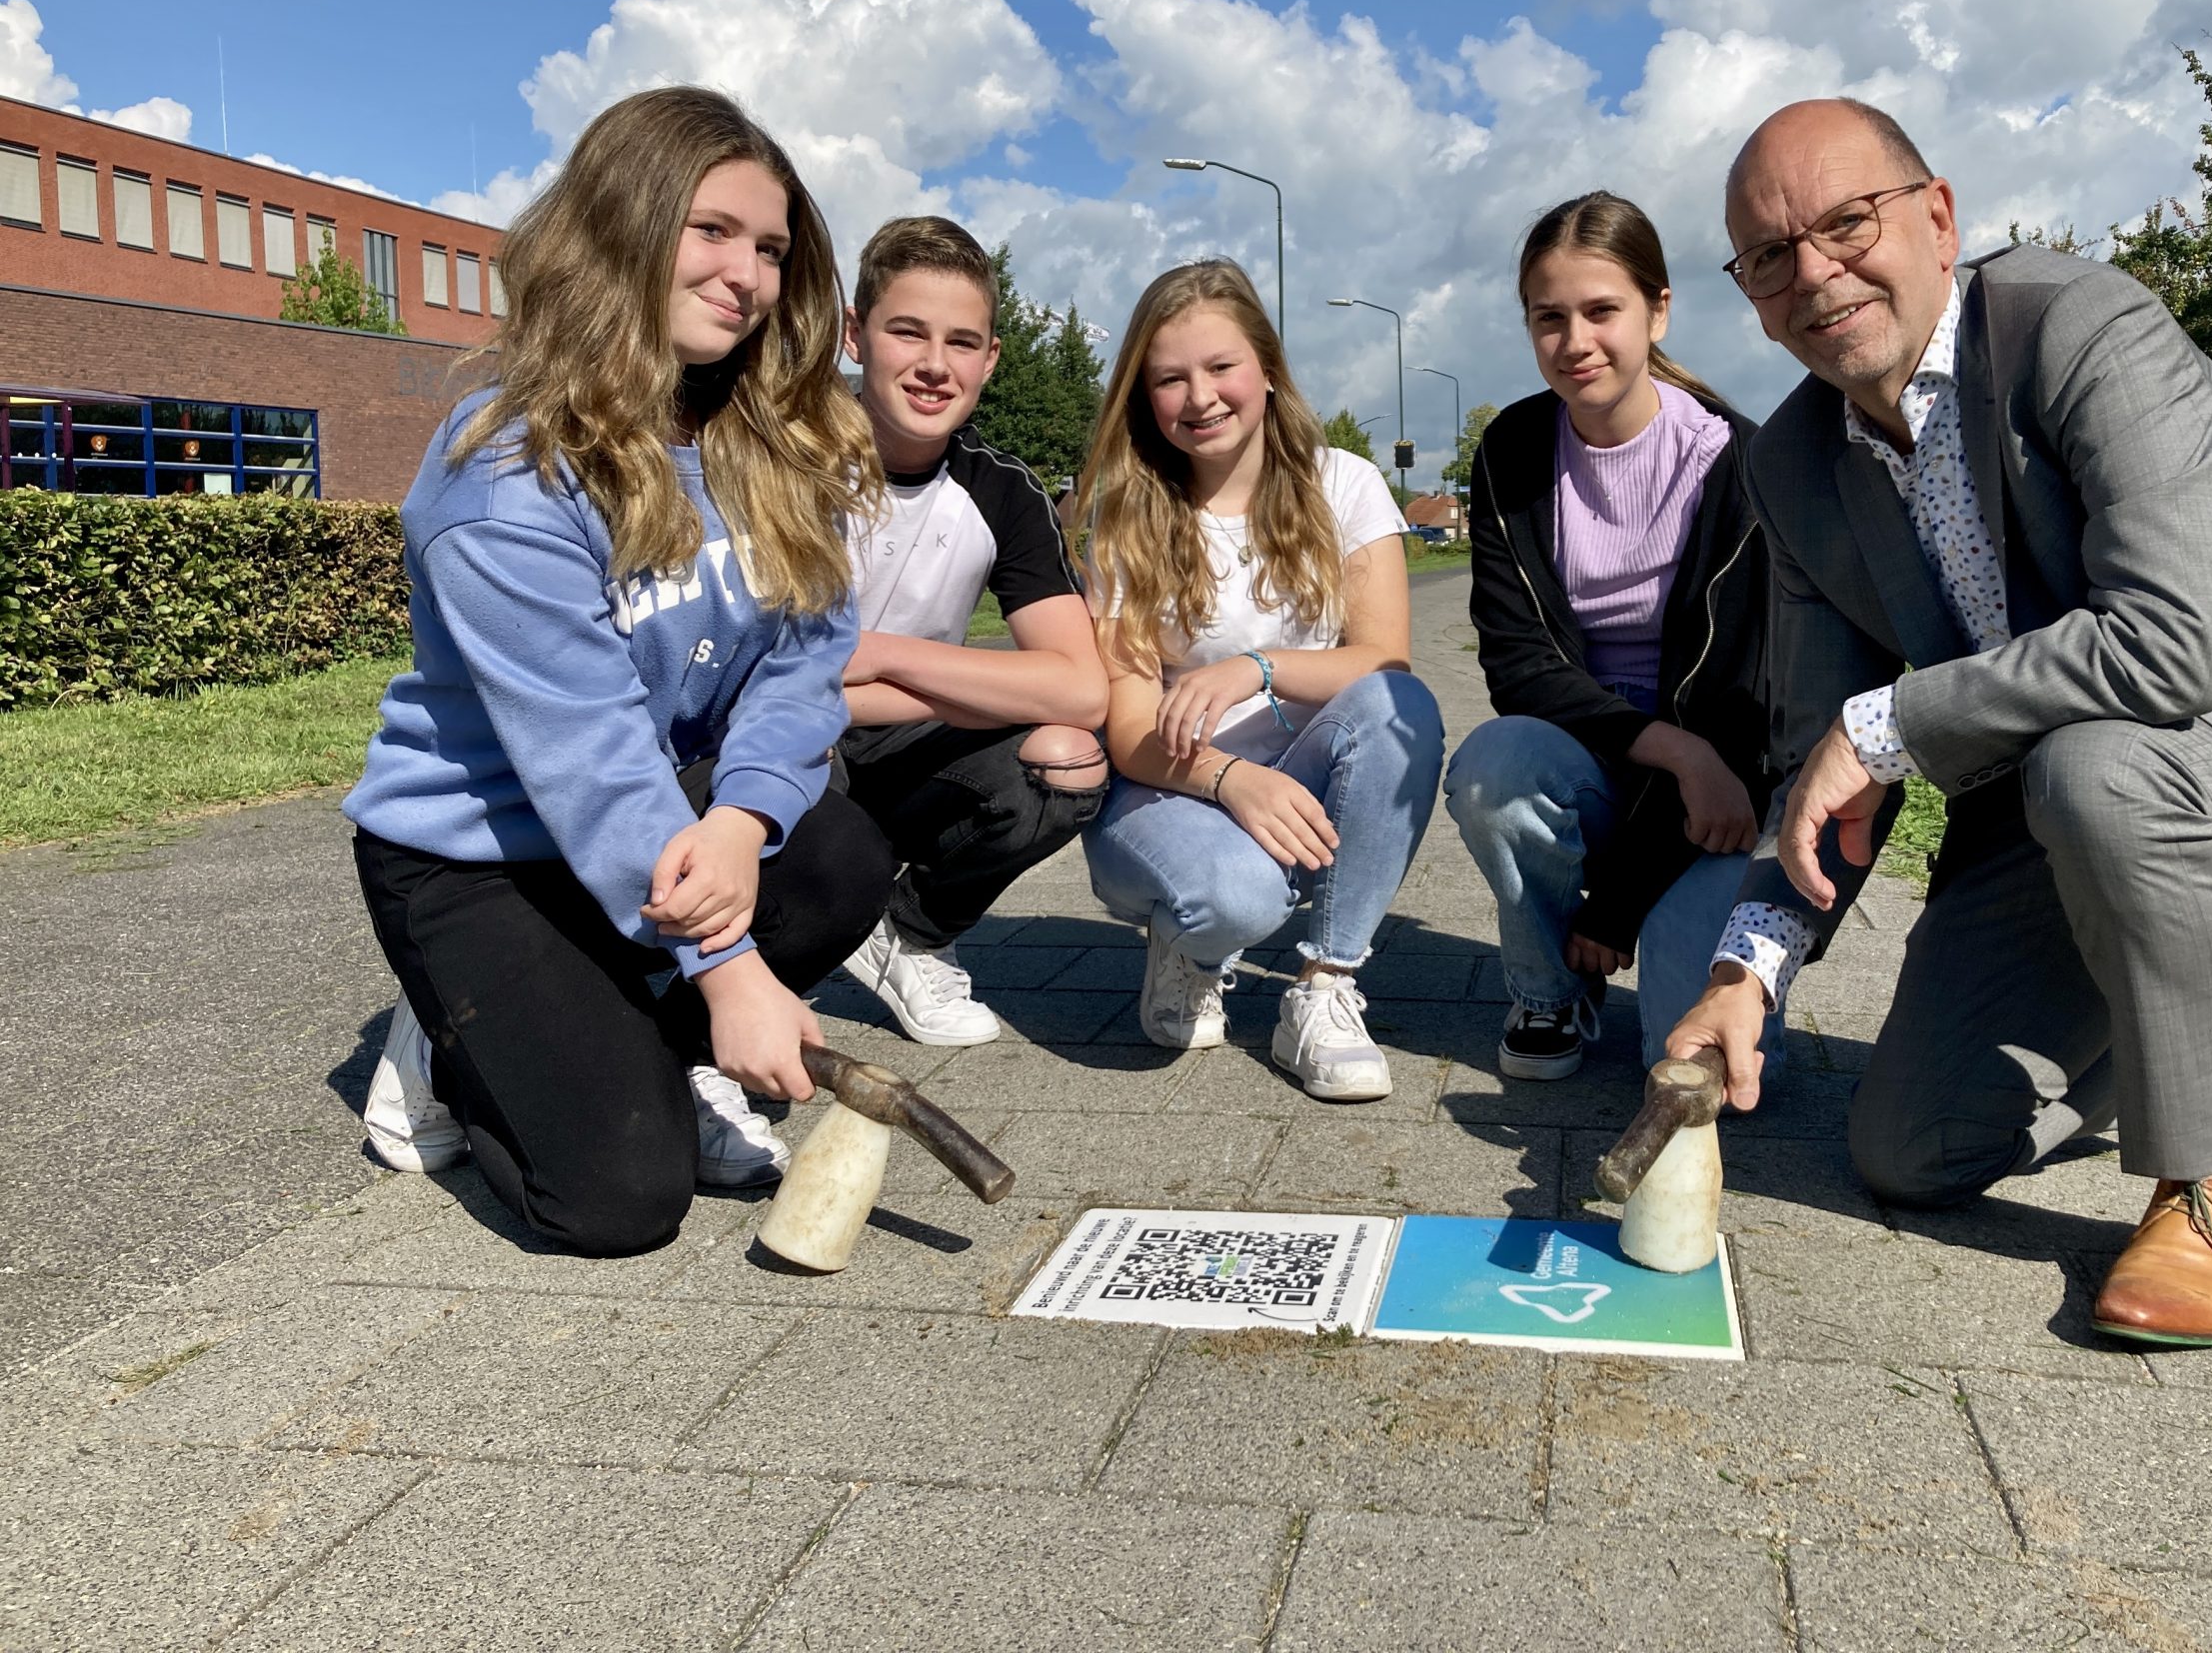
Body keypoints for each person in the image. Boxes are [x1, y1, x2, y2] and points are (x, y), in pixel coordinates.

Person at [1671, 97, 2212, 1344]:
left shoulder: (2087, 329)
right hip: (2062, 809)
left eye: (1846, 224)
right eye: (1770, 257)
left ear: (1936, 216)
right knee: (1908, 1152)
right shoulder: (1789, 467)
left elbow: (2166, 647)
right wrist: (1748, 967)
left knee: (2096, 774)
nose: (1816, 274)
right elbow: (1815, 763)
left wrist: (1888, 723)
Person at [347, 86, 896, 1256]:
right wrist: (731, 973)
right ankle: (445, 1037)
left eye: (771, 249)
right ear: (622, 226)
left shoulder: (772, 444)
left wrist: (746, 822)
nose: (745, 275)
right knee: (618, 1203)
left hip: (653, 822)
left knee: (841, 851)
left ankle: (633, 1037)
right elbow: (588, 759)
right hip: (477, 854)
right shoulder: (504, 475)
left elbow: (805, 667)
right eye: (712, 231)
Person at [1076, 260, 1445, 1100]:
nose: (1199, 396)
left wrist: (1257, 670)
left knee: (1401, 710)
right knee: (1235, 901)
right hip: (1167, 785)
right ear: (1144, 395)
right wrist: (1229, 778)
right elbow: (1131, 732)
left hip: (1304, 774)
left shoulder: (1342, 482)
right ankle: (1190, 945)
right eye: (1169, 378)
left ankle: (1323, 988)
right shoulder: (1128, 516)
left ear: (1268, 372)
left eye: (1220, 367)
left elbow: (1385, 660)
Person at [1442, 192, 1776, 1081]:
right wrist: (1670, 750)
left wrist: (1618, 905)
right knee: (1493, 769)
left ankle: (1673, 940)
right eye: (1549, 318)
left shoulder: (1740, 463)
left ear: (1658, 308)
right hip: (1605, 750)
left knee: (1688, 1059)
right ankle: (1550, 992)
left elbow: (1744, 704)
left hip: (1722, 769)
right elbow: (1518, 666)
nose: (1575, 341)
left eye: (1602, 311)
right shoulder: (1511, 448)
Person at [835, 216, 1109, 1043]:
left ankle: (907, 931)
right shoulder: (783, 462)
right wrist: (958, 684)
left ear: (990, 359)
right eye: (907, 332)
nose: (933, 365)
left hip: (899, 735)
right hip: (783, 740)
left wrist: (874, 654)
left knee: (1070, 761)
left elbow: (1079, 687)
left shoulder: (1004, 495)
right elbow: (772, 680)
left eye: (962, 342)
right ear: (856, 336)